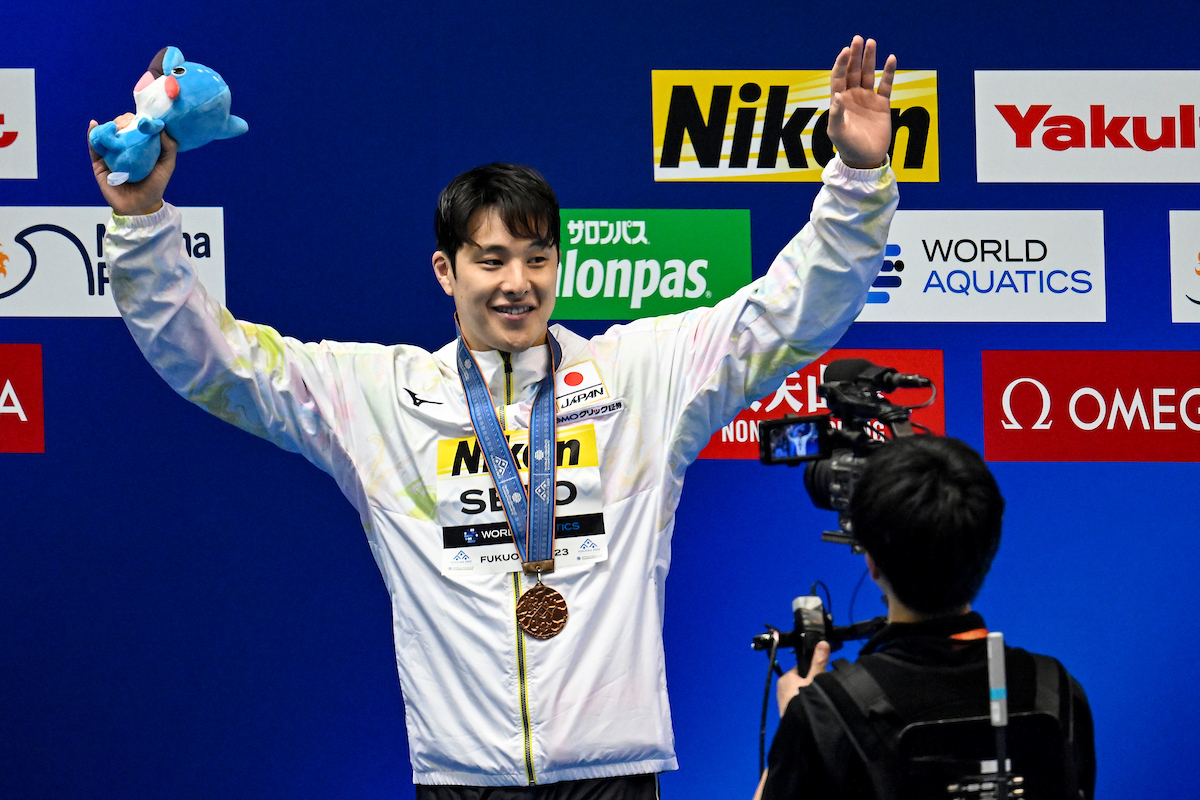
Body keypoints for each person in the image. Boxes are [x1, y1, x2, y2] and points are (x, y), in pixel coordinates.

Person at [90, 36, 899, 798]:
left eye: (537, 258)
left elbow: (786, 315)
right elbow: (217, 363)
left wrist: (857, 180)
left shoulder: (641, 376)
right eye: (491, 259)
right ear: (446, 271)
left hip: (613, 770)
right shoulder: (379, 396)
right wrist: (138, 225)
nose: (518, 282)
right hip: (460, 775)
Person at [755, 436, 1095, 800]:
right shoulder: (1057, 691)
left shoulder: (823, 715)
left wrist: (797, 716)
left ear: (871, 564)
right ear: (989, 546)